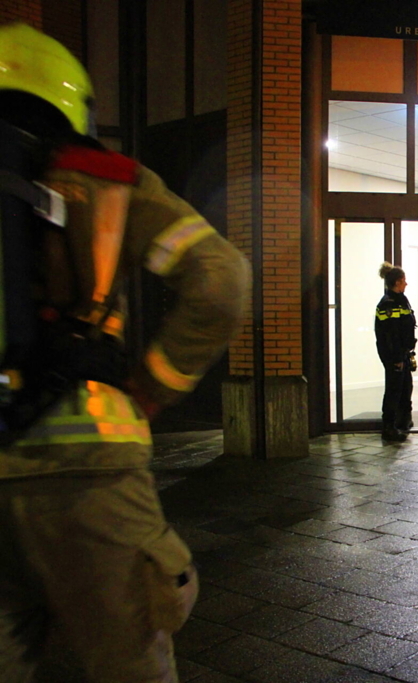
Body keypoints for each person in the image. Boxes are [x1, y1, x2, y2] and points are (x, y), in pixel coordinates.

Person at [0, 23, 249, 682]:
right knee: (128, 662)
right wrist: (148, 388)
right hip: (88, 461)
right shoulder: (101, 178)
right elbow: (222, 279)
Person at [375, 262, 416, 442]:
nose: (406, 284)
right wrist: (397, 358)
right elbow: (390, 335)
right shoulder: (388, 304)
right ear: (398, 282)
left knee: (405, 387)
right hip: (395, 356)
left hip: (403, 353)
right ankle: (389, 427)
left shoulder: (400, 299)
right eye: (404, 281)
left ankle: (403, 421)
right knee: (393, 390)